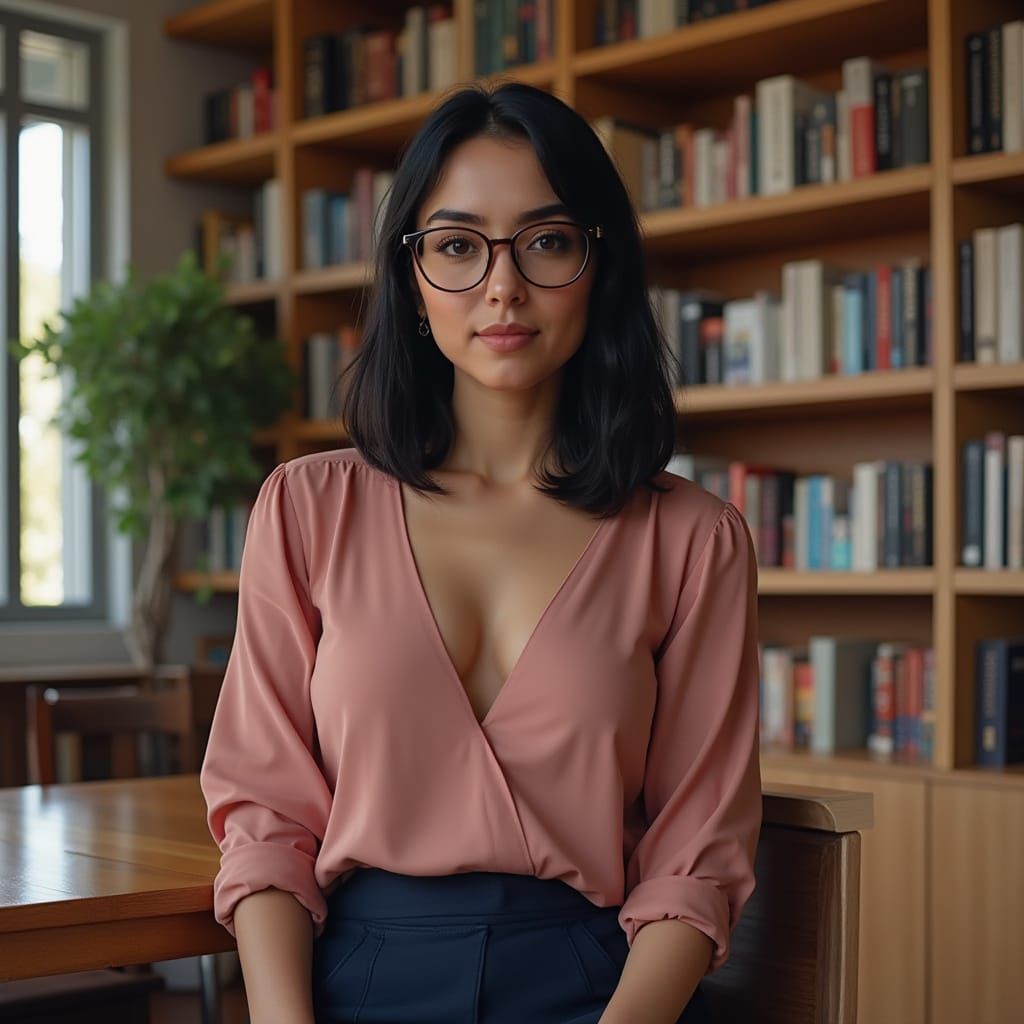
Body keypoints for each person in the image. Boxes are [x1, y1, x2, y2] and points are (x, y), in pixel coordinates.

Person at [199, 80, 762, 1024]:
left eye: (546, 242)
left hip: (603, 988)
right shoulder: (306, 507)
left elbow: (696, 858)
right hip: (353, 979)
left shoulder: (693, 537)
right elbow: (264, 820)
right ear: (412, 279)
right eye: (458, 245)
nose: (502, 286)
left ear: (598, 266)